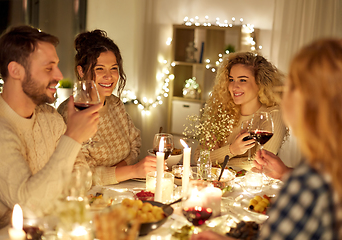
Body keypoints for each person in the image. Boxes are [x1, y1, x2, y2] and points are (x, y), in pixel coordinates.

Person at [191, 39, 342, 239]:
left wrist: (223, 154)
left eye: (293, 86)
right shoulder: (320, 171)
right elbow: (199, 157)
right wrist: (285, 172)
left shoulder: (307, 184)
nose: (285, 91)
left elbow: (255, 164)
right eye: (231, 79)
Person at [0, 25, 102, 236]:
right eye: (49, 68)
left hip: (57, 230)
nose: (59, 74)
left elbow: (82, 172)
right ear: (15, 70)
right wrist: (73, 138)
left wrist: (51, 194)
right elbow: (30, 206)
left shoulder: (49, 116)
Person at [58, 29, 157, 186]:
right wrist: (131, 170)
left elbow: (135, 144)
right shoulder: (70, 114)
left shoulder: (115, 104)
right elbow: (81, 175)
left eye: (113, 68)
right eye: (99, 69)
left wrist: (113, 173)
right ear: (81, 71)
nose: (109, 76)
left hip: (125, 189)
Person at [196, 52, 286, 169]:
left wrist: (218, 158)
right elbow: (199, 157)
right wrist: (232, 150)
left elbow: (263, 164)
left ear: (260, 82)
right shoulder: (222, 112)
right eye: (231, 79)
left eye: (242, 80)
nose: (234, 87)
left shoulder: (273, 115)